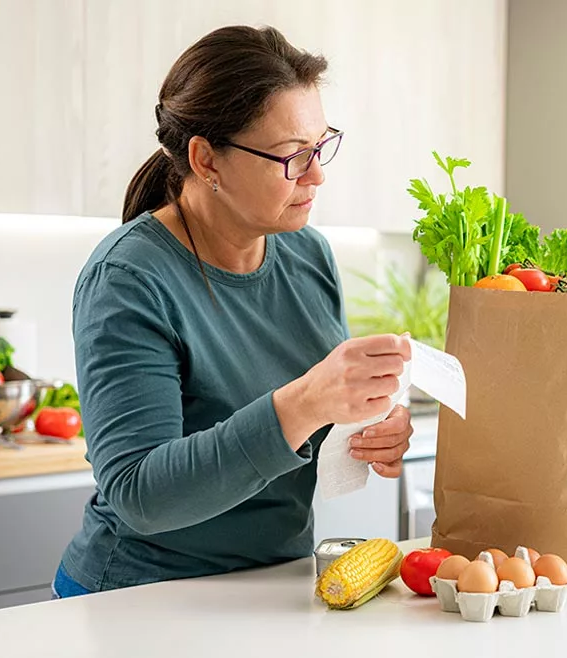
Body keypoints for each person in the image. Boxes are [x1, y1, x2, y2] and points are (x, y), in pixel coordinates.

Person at [52, 25, 413, 597]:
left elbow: (302, 435)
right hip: (141, 596)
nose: (316, 174)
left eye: (321, 147)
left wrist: (367, 427)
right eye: (293, 156)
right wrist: (304, 402)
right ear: (206, 159)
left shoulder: (306, 252)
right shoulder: (128, 279)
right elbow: (141, 495)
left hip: (274, 584)